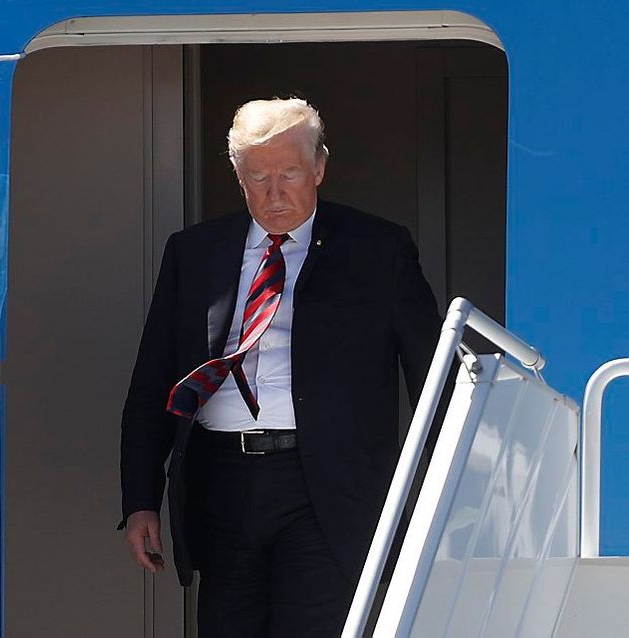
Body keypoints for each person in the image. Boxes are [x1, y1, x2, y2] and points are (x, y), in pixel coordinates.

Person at [119, 97, 442, 636]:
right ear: (238, 177)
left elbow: (433, 380)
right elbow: (152, 383)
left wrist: (435, 497)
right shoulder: (193, 252)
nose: (275, 194)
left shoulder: (378, 249)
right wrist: (139, 501)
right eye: (258, 177)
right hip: (220, 482)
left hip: (325, 485)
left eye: (290, 173)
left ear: (318, 167)